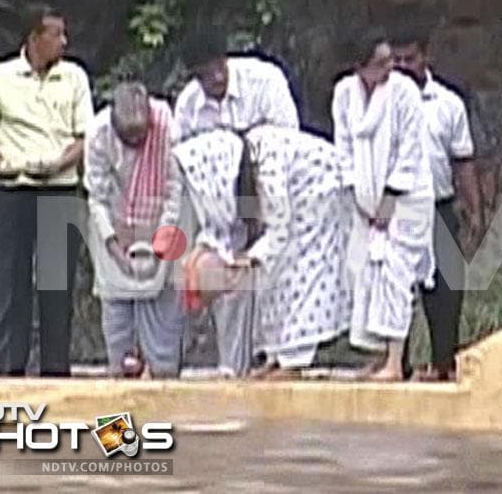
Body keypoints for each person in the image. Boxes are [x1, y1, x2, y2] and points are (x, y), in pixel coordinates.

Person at [0, 4, 94, 377]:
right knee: (11, 280)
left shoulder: (73, 77)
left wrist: (59, 163)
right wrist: (2, 162)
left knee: (57, 284)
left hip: (59, 188)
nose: (64, 41)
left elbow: (83, 136)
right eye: (56, 34)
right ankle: (9, 370)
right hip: (14, 190)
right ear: (35, 38)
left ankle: (56, 371)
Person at [173, 125, 350, 379]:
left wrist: (250, 258)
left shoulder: (267, 172)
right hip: (296, 208)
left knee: (299, 273)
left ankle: (294, 361)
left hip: (320, 193)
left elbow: (280, 231)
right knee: (270, 277)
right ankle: (276, 356)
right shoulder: (247, 168)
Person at [174, 28, 300, 378]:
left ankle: (277, 361)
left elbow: (289, 145)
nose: (214, 78)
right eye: (204, 74)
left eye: (218, 68)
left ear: (226, 60)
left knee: (272, 280)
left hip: (271, 197)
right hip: (222, 211)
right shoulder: (189, 105)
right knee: (228, 282)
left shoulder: (265, 81)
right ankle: (233, 369)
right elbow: (183, 163)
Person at [332, 29, 435, 381]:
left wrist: (389, 200)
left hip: (407, 199)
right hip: (364, 198)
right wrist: (361, 200)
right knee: (364, 274)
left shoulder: (404, 92)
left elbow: (410, 150)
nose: (390, 67)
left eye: (390, 59)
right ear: (359, 67)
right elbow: (343, 148)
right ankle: (376, 355)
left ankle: (395, 360)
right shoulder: (344, 94)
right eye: (380, 63)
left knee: (395, 273)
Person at [390, 29, 480, 382]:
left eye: (409, 59)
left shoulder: (448, 103)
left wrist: (474, 209)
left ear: (426, 56)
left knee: (445, 291)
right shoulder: (383, 103)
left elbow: (463, 160)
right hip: (397, 208)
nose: (401, 67)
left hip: (440, 207)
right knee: (395, 291)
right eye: (395, 60)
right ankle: (398, 364)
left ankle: (445, 364)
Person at [84, 82, 186, 378]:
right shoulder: (98, 133)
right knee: (118, 333)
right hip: (113, 229)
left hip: (161, 225)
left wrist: (161, 241)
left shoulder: (167, 127)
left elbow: (174, 189)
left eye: (142, 136)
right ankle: (118, 415)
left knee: (164, 333)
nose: (137, 143)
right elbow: (97, 197)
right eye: (129, 138)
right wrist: (114, 246)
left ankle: (165, 411)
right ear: (115, 126)